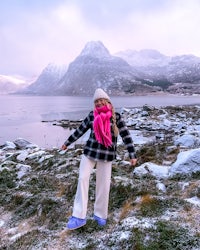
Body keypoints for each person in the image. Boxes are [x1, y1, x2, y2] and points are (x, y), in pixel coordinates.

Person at [61, 88, 137, 230]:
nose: (99, 102)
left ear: (108, 101)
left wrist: (132, 155)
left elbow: (126, 136)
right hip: (89, 152)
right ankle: (78, 216)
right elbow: (79, 130)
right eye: (96, 101)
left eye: (102, 100)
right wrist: (67, 142)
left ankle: (100, 214)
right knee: (82, 178)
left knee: (103, 184)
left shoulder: (117, 117)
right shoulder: (92, 116)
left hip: (106, 155)